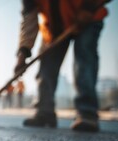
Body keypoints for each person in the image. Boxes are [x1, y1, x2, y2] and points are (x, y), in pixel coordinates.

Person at [14, 0, 108, 132]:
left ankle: (87, 113)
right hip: (54, 28)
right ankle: (44, 113)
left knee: (84, 60)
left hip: (88, 17)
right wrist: (23, 53)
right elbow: (29, 19)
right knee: (46, 67)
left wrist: (88, 6)